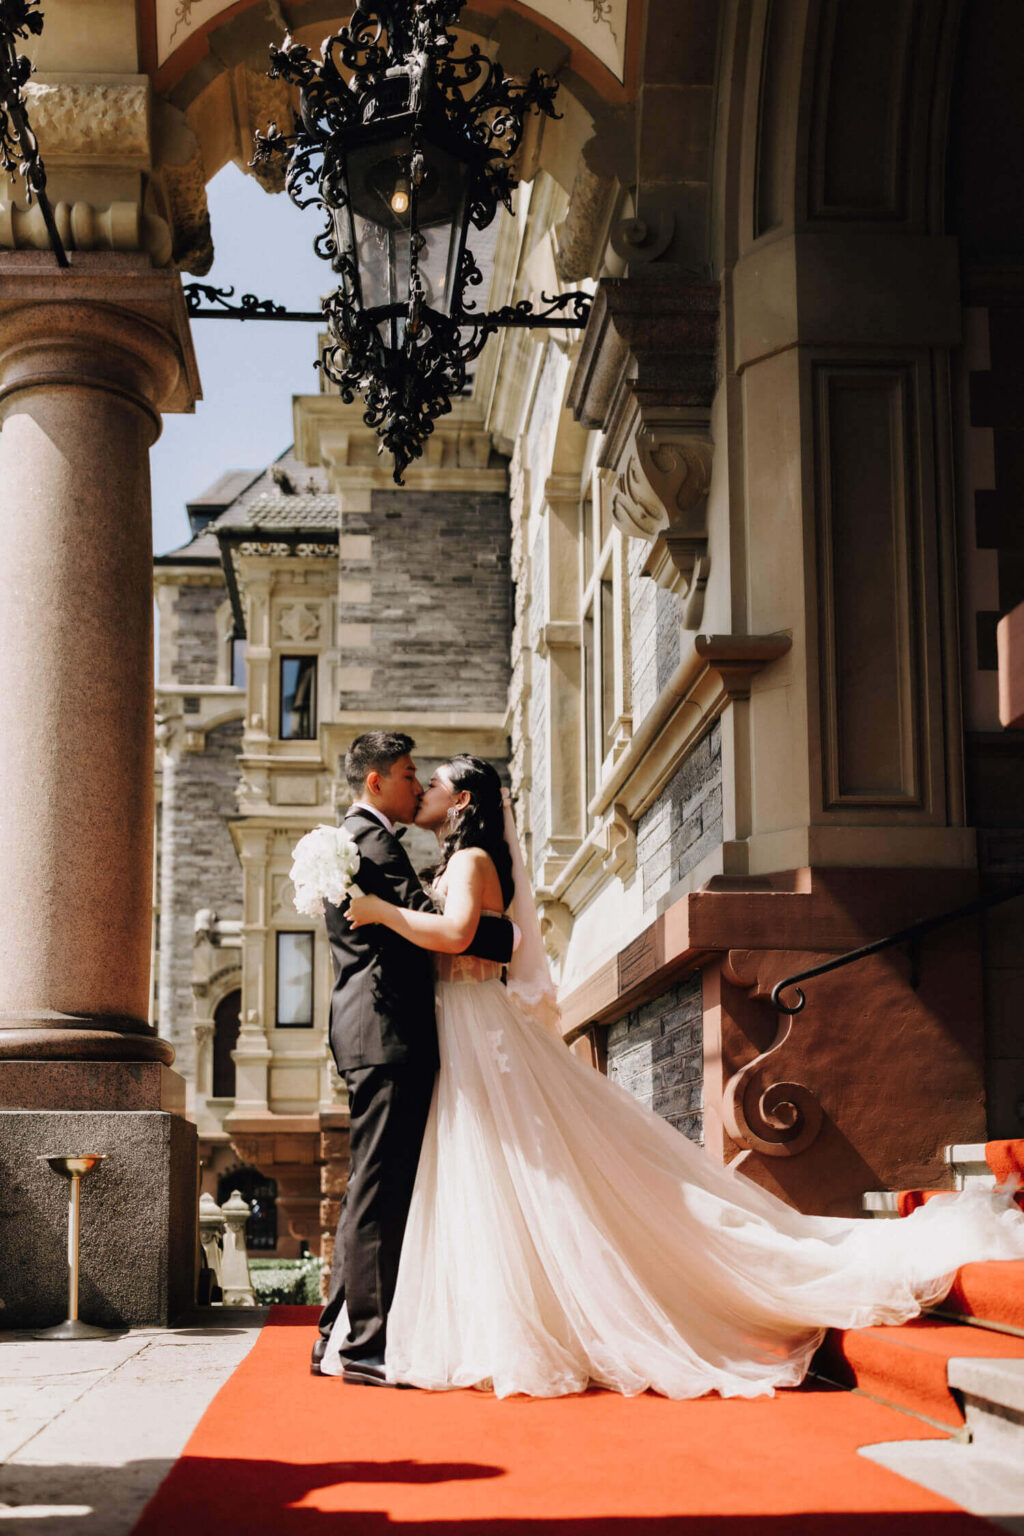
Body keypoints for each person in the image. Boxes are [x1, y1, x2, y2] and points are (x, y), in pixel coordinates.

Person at [324, 753, 1024, 1399]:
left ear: (463, 798)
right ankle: (480, 1316)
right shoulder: (454, 860)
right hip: (458, 1028)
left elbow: (454, 937)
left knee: (521, 1172)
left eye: (433, 780)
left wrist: (382, 913)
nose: (422, 788)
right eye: (416, 776)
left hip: (475, 1028)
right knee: (484, 1174)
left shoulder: (474, 859)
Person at [312, 733, 516, 1386]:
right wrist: (506, 933)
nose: (415, 783)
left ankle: (334, 1337)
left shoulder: (353, 840)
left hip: (371, 1029)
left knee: (367, 1188)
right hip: (388, 1030)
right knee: (380, 1192)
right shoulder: (372, 840)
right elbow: (436, 923)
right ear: (375, 782)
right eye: (406, 774)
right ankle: (364, 1347)